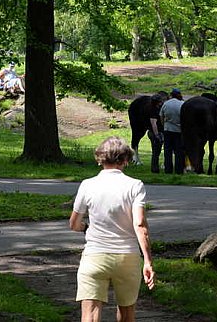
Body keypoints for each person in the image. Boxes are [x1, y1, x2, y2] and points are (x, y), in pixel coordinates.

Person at [69, 136, 155, 322]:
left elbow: (74, 224)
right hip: (127, 257)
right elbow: (140, 225)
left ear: (100, 158)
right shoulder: (135, 186)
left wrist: (86, 228)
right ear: (125, 160)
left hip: (94, 256)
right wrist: (148, 261)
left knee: (90, 315)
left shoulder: (87, 185)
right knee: (126, 314)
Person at [160, 88, 185, 174]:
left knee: (167, 151)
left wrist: (164, 126)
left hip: (168, 130)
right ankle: (179, 169)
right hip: (179, 130)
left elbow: (161, 116)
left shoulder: (166, 104)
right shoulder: (182, 104)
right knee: (179, 151)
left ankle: (168, 169)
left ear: (171, 95)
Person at [147, 93, 166, 173]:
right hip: (156, 133)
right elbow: (153, 123)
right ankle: (154, 169)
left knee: (156, 152)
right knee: (156, 152)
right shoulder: (154, 110)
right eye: (161, 101)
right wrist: (157, 135)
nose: (162, 102)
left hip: (155, 132)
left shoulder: (154, 109)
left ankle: (155, 168)